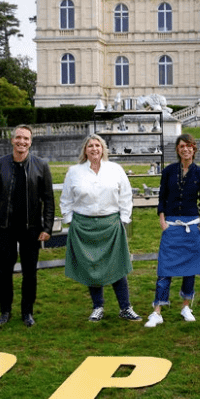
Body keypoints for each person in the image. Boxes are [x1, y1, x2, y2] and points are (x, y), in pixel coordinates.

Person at [59, 134, 142, 323]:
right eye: (90, 146)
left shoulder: (115, 169)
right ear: (85, 150)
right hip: (83, 226)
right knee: (92, 268)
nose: (94, 149)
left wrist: (123, 219)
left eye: (98, 145)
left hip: (111, 224)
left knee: (117, 267)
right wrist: (70, 220)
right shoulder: (74, 171)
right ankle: (98, 307)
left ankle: (125, 307)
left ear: (103, 149)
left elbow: (126, 195)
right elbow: (66, 199)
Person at [0, 125, 55, 327]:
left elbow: (48, 199)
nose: (22, 142)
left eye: (26, 139)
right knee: (4, 272)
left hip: (31, 228)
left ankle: (27, 312)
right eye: (18, 138)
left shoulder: (41, 166)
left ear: (31, 142)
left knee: (30, 273)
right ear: (12, 140)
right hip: (5, 228)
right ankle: (5, 311)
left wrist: (47, 227)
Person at [145, 134, 200, 328]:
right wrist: (162, 221)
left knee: (190, 269)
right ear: (177, 149)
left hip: (192, 227)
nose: (185, 149)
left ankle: (186, 306)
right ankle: (157, 310)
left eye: (189, 146)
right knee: (165, 269)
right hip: (172, 225)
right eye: (182, 146)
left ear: (194, 149)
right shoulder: (169, 171)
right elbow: (162, 198)